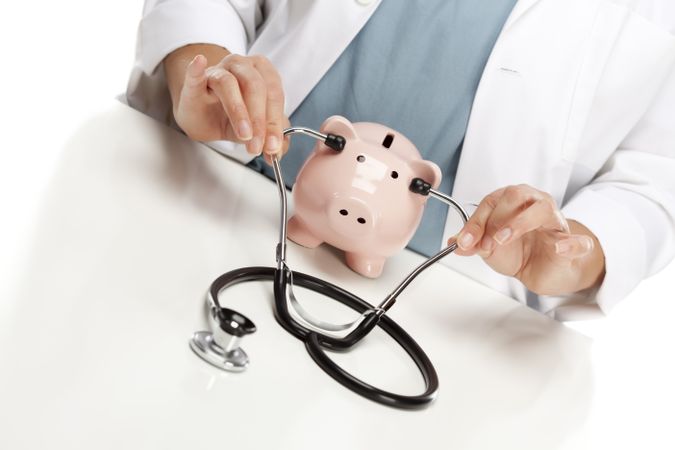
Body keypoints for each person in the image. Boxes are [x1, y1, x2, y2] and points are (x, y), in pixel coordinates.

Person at [127, 0, 675, 320]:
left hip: (450, 311)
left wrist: (578, 249)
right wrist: (207, 68)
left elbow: (652, 181)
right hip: (218, 198)